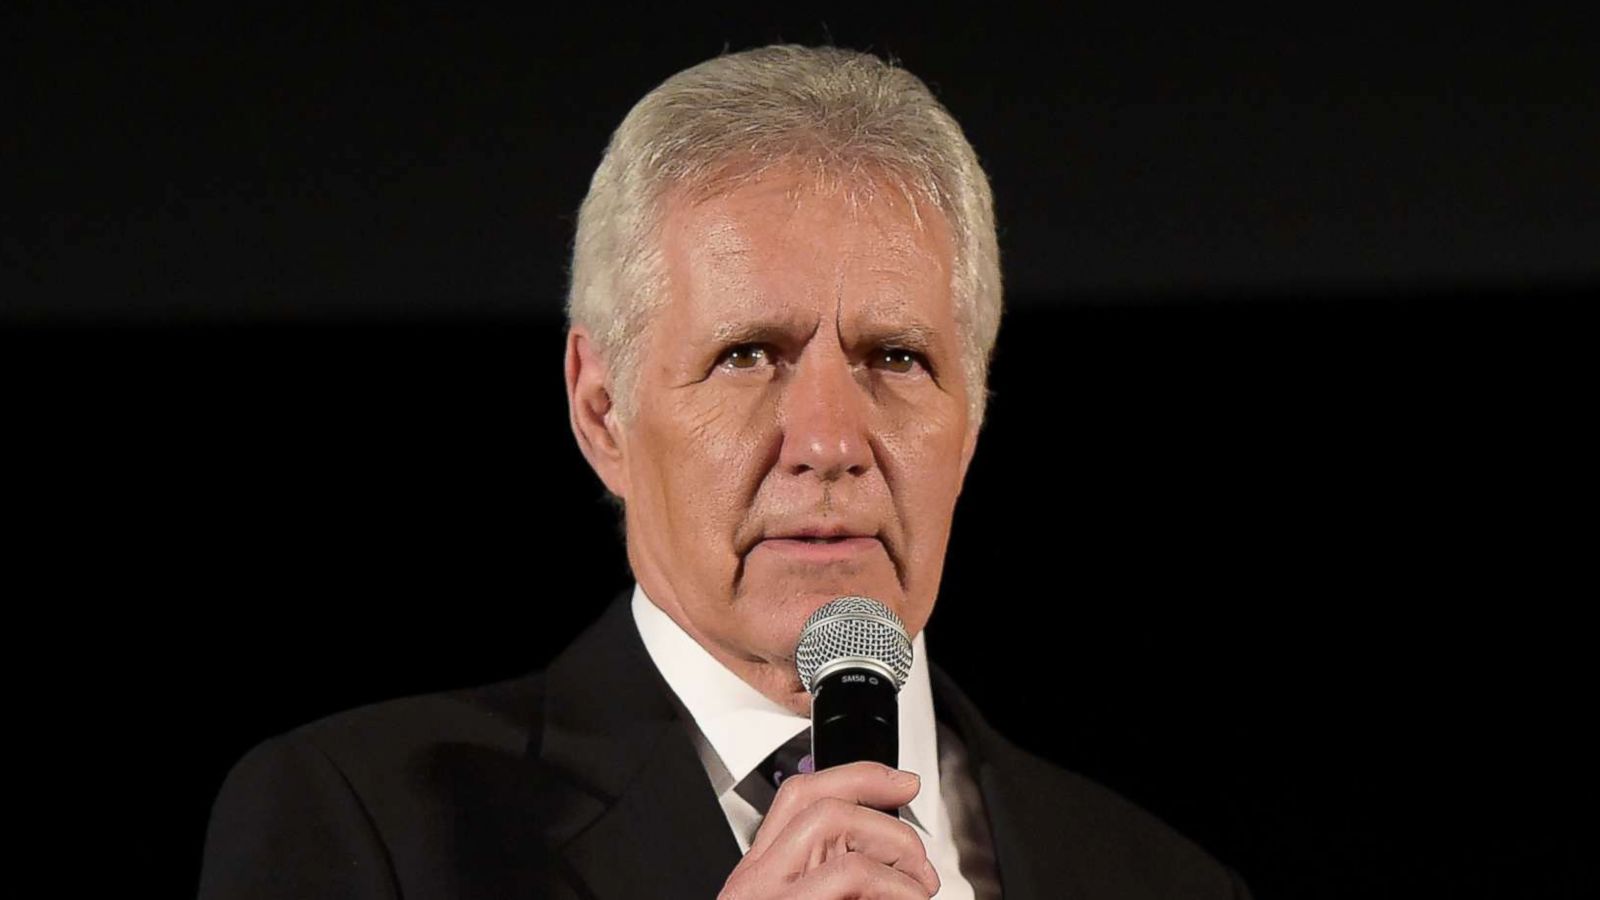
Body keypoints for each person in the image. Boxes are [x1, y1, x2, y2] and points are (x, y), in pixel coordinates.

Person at [199, 44, 1250, 899]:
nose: (830, 441)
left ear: (970, 418)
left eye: (897, 358)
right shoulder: (365, 826)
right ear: (602, 411)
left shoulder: (1160, 880)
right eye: (749, 355)